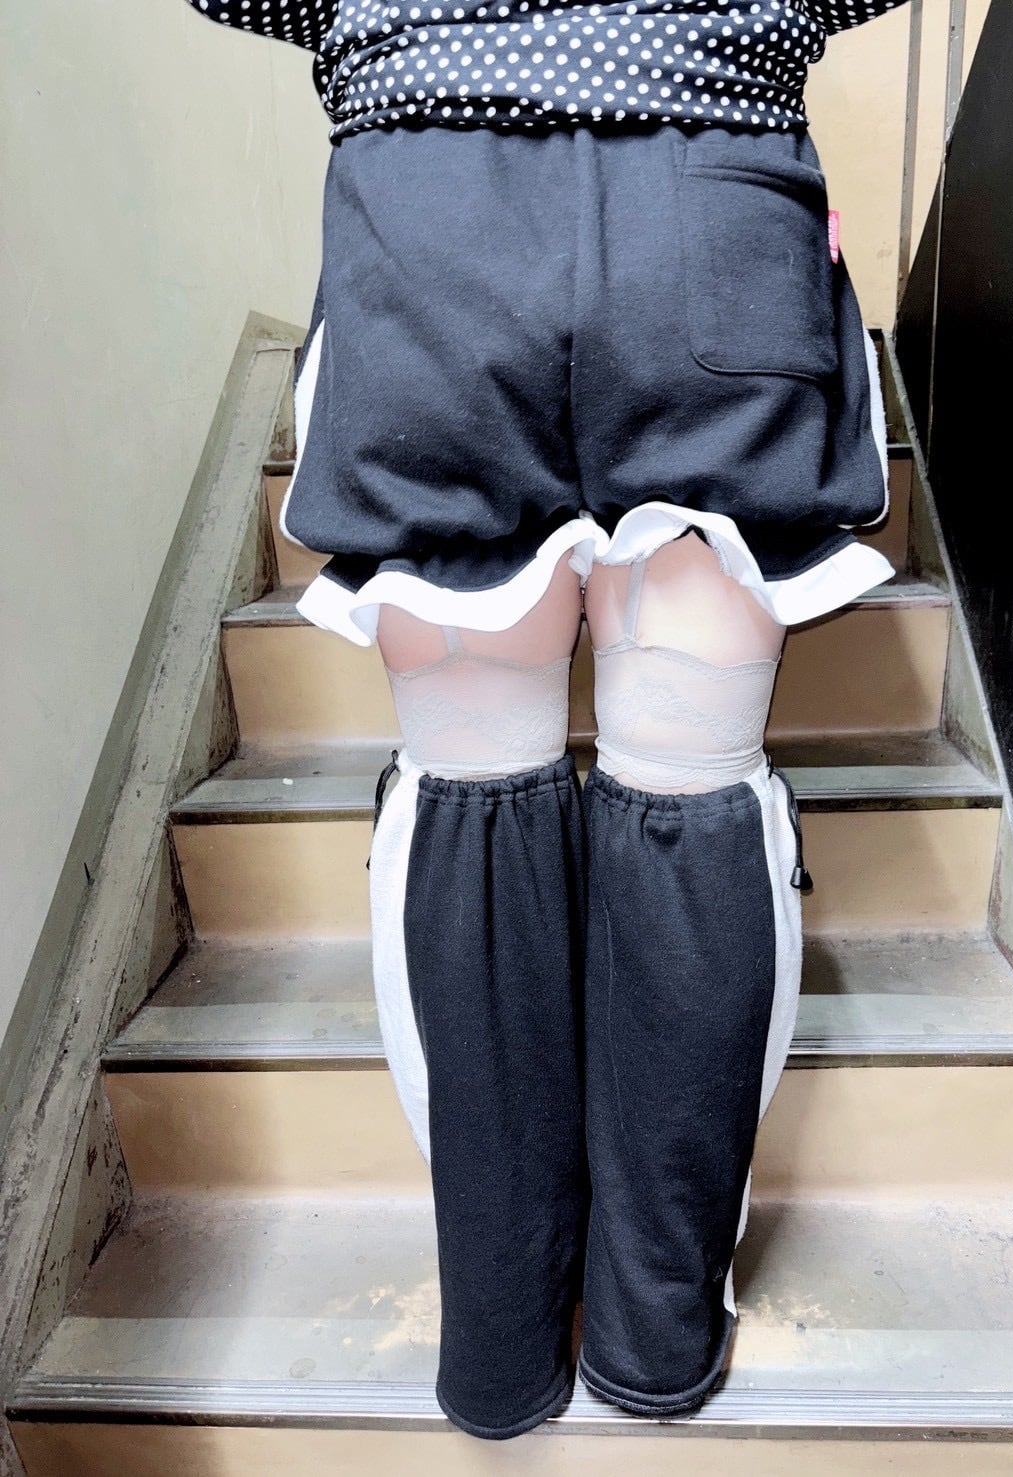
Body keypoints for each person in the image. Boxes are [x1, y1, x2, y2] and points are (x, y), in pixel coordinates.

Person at [186, 0, 908, 1440]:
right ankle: (656, 1338)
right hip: (714, 200)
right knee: (694, 785)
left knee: (469, 790)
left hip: (430, 219)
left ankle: (505, 1343)